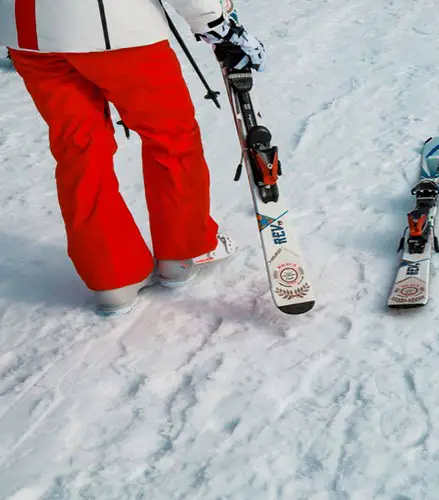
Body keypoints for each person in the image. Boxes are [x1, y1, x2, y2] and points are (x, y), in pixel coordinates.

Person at [0, 0, 266, 315]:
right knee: (170, 136)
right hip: (117, 28)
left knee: (78, 148)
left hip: (28, 35)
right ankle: (183, 252)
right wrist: (214, 21)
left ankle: (112, 277)